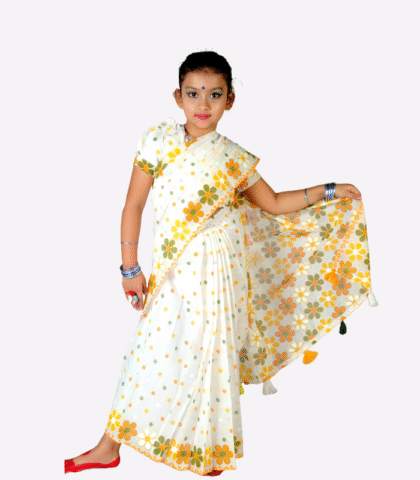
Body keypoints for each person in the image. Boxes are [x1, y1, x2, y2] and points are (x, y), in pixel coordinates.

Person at [65, 51, 378, 476]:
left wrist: (328, 189)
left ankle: (208, 453)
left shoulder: (233, 158)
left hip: (220, 272)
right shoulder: (157, 141)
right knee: (147, 352)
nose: (203, 104)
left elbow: (273, 203)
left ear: (229, 100)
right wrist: (129, 268)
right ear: (178, 97)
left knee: (210, 355)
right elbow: (133, 205)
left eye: (215, 94)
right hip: (174, 269)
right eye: (193, 93)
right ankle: (108, 446)